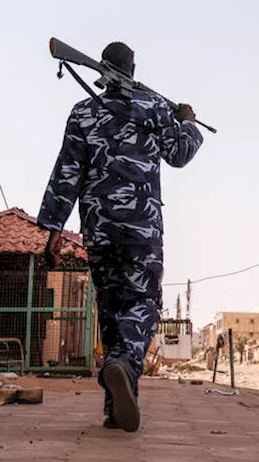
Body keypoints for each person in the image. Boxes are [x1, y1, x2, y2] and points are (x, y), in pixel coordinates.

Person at [37, 41, 204, 433]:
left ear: (103, 70)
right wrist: (188, 122)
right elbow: (179, 153)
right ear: (133, 68)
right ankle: (125, 368)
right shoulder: (153, 108)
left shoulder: (83, 114)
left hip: (98, 229)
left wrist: (53, 230)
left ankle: (115, 410)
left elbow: (67, 174)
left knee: (112, 313)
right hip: (141, 228)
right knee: (142, 305)